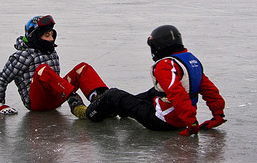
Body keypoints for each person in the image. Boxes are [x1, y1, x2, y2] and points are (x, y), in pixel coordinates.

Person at [71, 25, 226, 136]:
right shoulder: (191, 60)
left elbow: (176, 93)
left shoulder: (165, 65)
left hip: (162, 121)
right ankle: (114, 108)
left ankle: (89, 113)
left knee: (113, 95)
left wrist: (191, 123)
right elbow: (209, 89)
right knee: (153, 92)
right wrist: (218, 114)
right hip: (178, 117)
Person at [0, 15, 109, 114]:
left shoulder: (51, 51)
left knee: (83, 68)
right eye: (47, 35)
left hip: (55, 97)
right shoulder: (23, 56)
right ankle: (75, 102)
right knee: (43, 70)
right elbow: (2, 78)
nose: (51, 39)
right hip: (37, 103)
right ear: (35, 37)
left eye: (52, 35)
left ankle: (101, 100)